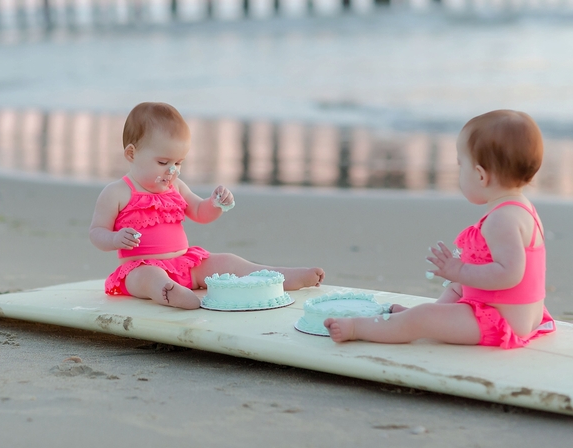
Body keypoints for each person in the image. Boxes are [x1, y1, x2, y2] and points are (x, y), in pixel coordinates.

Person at [324, 109, 556, 349]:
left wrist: (460, 269)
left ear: (480, 176)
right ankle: (433, 316)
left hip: (501, 322)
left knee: (422, 318)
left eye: (461, 165)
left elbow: (509, 274)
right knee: (457, 288)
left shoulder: (503, 220)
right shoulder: (521, 208)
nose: (459, 173)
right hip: (512, 312)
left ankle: (358, 327)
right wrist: (461, 276)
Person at [89, 102, 324, 309]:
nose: (172, 171)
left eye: (178, 162)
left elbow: (200, 212)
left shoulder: (177, 187)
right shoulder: (117, 192)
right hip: (138, 268)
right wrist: (114, 239)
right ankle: (170, 293)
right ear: (131, 153)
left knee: (228, 261)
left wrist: (215, 204)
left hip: (185, 264)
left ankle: (276, 277)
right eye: (163, 162)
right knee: (150, 277)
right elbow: (96, 232)